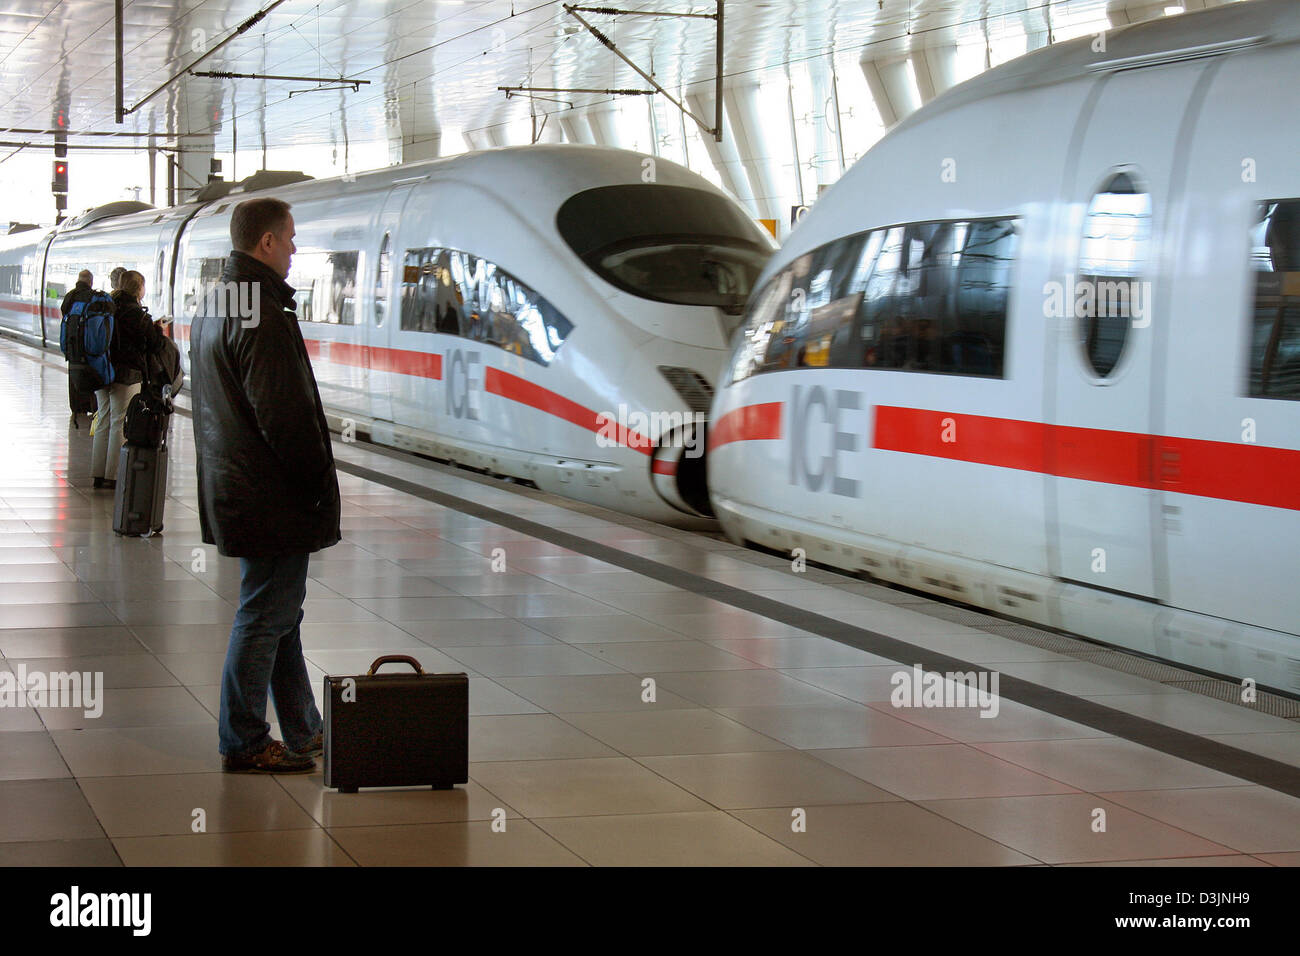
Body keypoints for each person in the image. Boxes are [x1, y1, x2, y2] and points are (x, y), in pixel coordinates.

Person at [190, 197, 341, 774]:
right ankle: (245, 738)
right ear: (267, 243)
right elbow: (284, 413)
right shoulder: (260, 309)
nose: (296, 249)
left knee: (280, 613)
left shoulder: (220, 300)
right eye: (292, 238)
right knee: (264, 615)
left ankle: (304, 731)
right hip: (269, 493)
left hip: (239, 484)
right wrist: (316, 487)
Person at [90, 270, 162, 489]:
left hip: (101, 371)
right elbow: (154, 344)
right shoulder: (136, 313)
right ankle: (114, 475)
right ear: (139, 288)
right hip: (126, 374)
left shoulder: (107, 305)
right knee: (119, 422)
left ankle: (98, 473)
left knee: (103, 419)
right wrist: (158, 329)